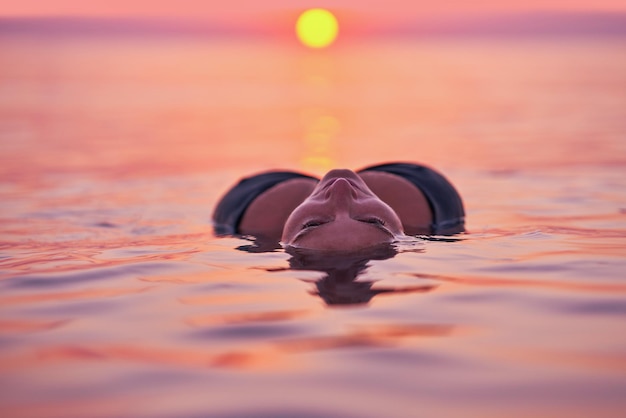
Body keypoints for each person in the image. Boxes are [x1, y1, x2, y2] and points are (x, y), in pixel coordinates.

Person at [213, 162, 465, 251]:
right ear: (404, 240)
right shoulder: (427, 208)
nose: (341, 188)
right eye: (371, 221)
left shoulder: (251, 218)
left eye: (313, 224)